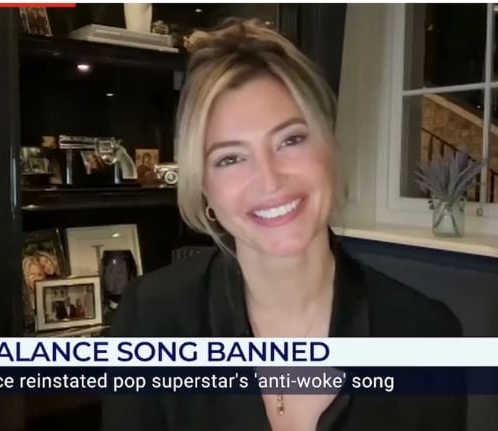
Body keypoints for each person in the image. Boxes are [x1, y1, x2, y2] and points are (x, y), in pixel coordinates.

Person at [102, 20, 465, 431]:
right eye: (230, 158)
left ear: (329, 146)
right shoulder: (151, 321)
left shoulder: (426, 336)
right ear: (205, 189)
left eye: (290, 140)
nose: (270, 180)